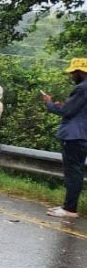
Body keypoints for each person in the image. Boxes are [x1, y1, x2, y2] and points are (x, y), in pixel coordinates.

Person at [43, 59, 87, 218]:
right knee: (76, 171)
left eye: (73, 72)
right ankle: (69, 206)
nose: (71, 75)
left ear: (80, 72)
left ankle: (69, 209)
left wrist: (50, 104)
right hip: (82, 134)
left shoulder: (82, 88)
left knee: (73, 173)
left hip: (73, 136)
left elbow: (67, 111)